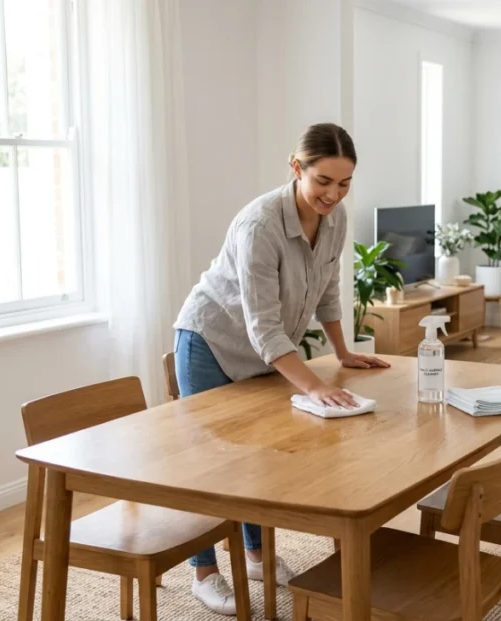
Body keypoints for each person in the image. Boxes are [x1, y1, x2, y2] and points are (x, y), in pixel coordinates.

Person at [172, 122, 389, 615]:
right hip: (211, 341)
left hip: (266, 350)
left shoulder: (334, 218)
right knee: (211, 464)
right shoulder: (260, 226)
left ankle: (255, 555)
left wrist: (343, 352)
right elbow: (263, 326)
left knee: (261, 455)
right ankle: (204, 573)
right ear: (296, 168)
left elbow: (329, 290)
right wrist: (314, 386)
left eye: (344, 184)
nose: (333, 195)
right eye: (323, 182)